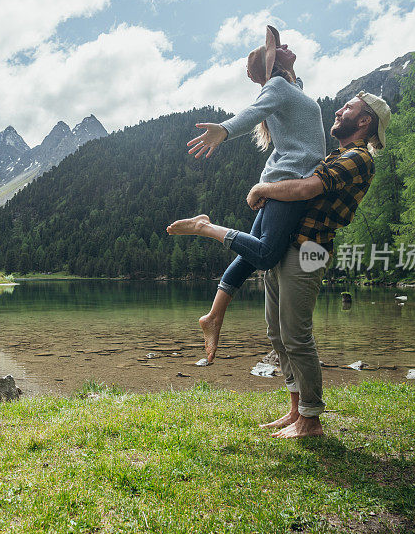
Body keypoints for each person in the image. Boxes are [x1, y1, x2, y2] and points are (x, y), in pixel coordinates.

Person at [166, 25, 326, 365]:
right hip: (289, 182)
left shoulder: (292, 87)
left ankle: (213, 317)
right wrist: (224, 130)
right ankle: (205, 227)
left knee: (253, 254)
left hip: (285, 179)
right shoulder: (278, 86)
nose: (285, 46)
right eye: (278, 48)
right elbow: (253, 112)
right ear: (272, 66)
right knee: (266, 255)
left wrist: (281, 65)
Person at [246, 91, 390, 438]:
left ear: (364, 121)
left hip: (311, 251)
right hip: (289, 247)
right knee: (277, 334)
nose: (339, 111)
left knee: (296, 335)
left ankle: (310, 420)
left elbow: (309, 187)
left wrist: (263, 188)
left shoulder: (359, 157)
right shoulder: (337, 153)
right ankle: (296, 409)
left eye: (349, 108)